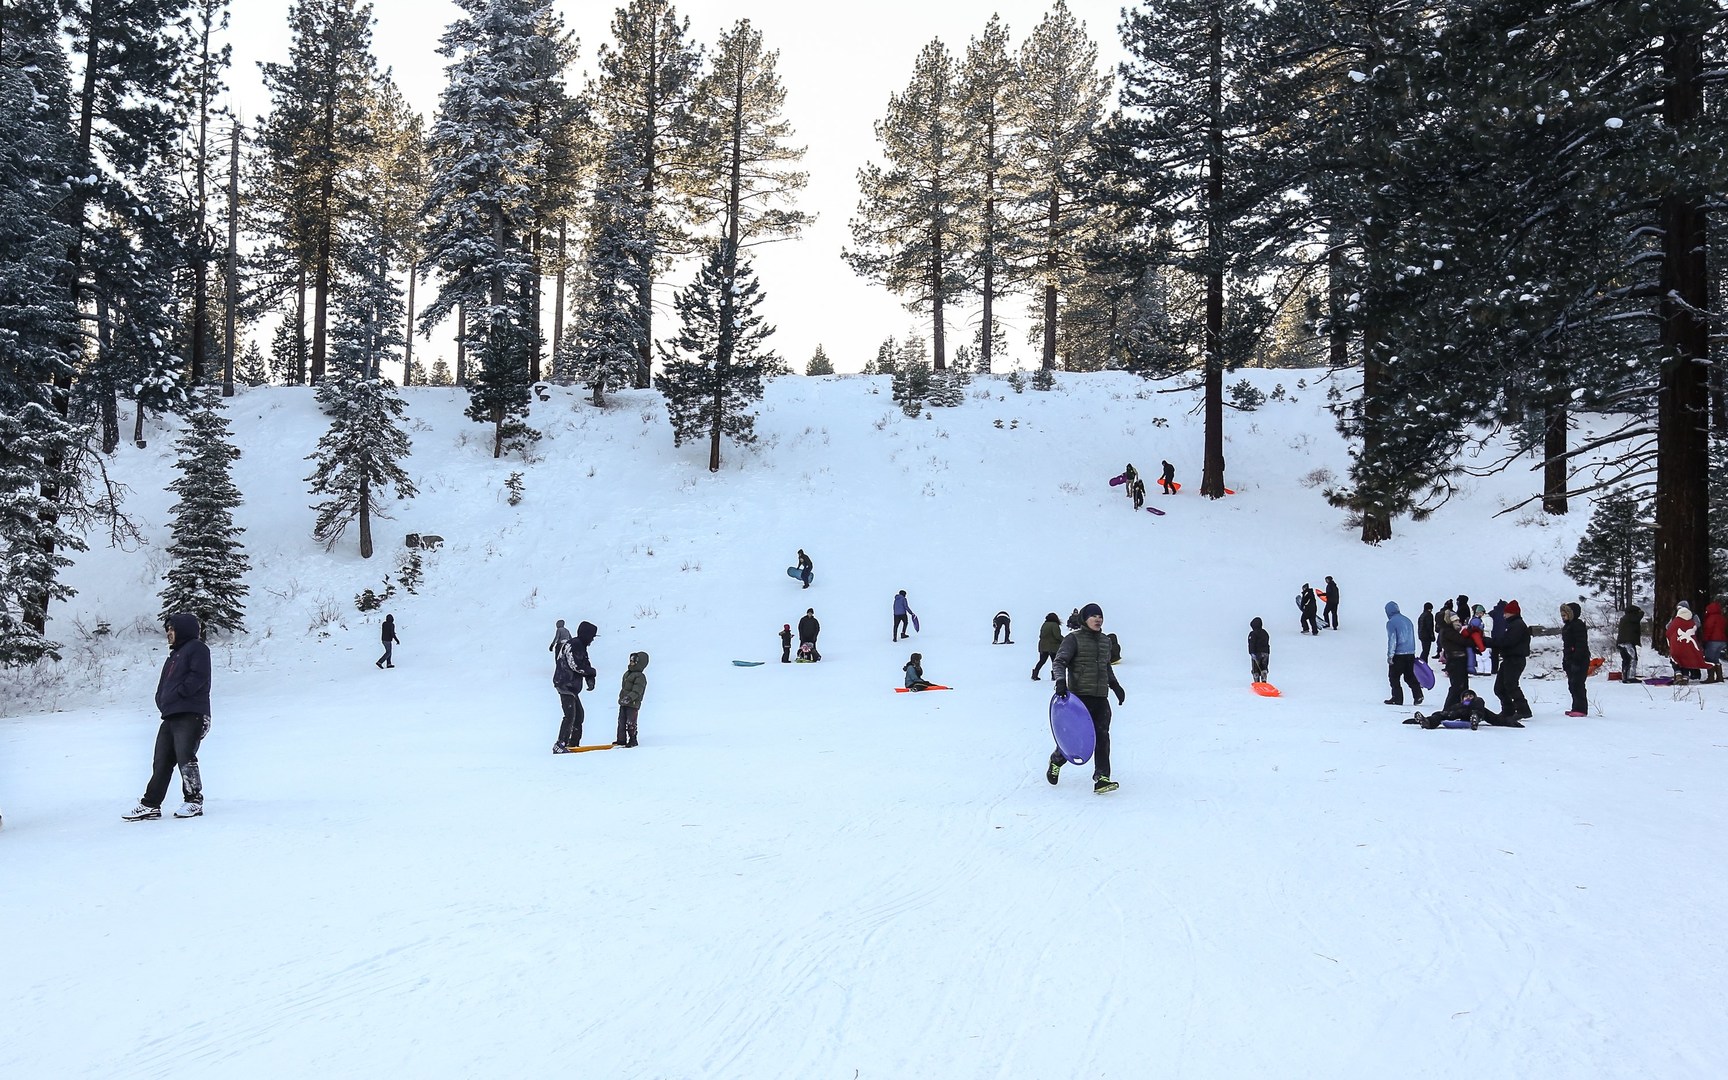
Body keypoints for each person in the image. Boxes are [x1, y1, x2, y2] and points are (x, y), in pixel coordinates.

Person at [124, 613, 212, 820]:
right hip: (171, 714)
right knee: (161, 760)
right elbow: (163, 685)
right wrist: (162, 700)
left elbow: (198, 676)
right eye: (167, 629)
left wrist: (180, 693)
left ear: (183, 629)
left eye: (172, 629)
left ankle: (194, 801)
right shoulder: (174, 655)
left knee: (185, 757)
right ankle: (151, 805)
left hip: (191, 712)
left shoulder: (197, 648)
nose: (168, 633)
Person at [1045, 603, 1126, 794]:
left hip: (1100, 697)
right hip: (1079, 699)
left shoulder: (1105, 641)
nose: (1098, 619)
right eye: (1093, 616)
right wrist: (1060, 681)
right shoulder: (1073, 639)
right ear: (1084, 619)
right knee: (1075, 738)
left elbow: (1106, 666)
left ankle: (1102, 778)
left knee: (1102, 736)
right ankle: (1056, 760)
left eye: (1100, 616)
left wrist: (1115, 685)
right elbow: (1059, 661)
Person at [552, 620, 598, 752]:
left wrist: (590, 678)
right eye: (592, 637)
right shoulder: (574, 644)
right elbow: (575, 665)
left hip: (571, 686)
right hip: (565, 683)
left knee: (579, 715)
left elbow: (585, 663)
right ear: (586, 635)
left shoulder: (581, 646)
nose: (592, 640)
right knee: (570, 715)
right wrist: (591, 672)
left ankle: (573, 743)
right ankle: (560, 744)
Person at [1484, 599, 1532, 721]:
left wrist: (1489, 642)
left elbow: (1507, 642)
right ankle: (1508, 709)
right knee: (1499, 687)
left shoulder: (1517, 625)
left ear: (1512, 613)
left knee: (1511, 685)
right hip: (1509, 659)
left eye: (1506, 613)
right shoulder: (1512, 625)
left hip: (1515, 659)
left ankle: (1523, 710)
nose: (1504, 615)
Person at [1403, 687, 1522, 729]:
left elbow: (1495, 719)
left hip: (1476, 712)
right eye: (1466, 696)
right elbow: (1444, 713)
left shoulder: (1478, 703)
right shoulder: (1458, 706)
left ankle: (1475, 718)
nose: (1469, 697)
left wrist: (1511, 722)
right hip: (1461, 713)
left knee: (1479, 704)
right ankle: (1427, 722)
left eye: (1471, 696)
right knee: (1442, 714)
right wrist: (1417, 721)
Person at [1383, 601, 1423, 706]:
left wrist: (1390, 655)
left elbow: (1392, 639)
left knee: (1394, 677)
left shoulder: (1391, 622)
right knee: (1409, 675)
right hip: (1410, 653)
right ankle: (1418, 695)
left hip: (1398, 654)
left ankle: (1397, 698)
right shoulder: (1407, 620)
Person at [1437, 606, 1472, 709]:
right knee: (1457, 687)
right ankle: (1448, 709)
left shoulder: (1451, 631)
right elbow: (1463, 641)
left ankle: (1462, 708)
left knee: (1462, 687)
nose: (1458, 623)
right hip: (1455, 661)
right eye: (1455, 620)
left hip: (1459, 661)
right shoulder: (1448, 631)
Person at [1665, 603, 1707, 684]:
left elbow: (1668, 627)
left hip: (1677, 641)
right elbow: (1697, 625)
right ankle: (1685, 677)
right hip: (1690, 640)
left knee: (1675, 658)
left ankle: (1678, 674)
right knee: (1686, 658)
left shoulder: (1676, 617)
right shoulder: (1693, 616)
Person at [1560, 602, 1589, 715]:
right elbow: (1567, 646)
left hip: (1579, 660)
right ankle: (1575, 708)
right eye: (1562, 615)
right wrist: (1565, 660)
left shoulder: (1578, 625)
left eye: (1565, 615)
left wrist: (1576, 660)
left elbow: (1581, 644)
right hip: (1570, 659)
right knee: (1572, 685)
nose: (1563, 617)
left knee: (1578, 684)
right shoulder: (1567, 627)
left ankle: (1581, 709)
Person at [614, 651, 648, 747]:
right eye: (631, 661)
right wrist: (622, 698)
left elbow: (637, 690)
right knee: (621, 721)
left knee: (631, 722)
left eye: (634, 661)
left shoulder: (640, 676)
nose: (631, 663)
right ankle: (621, 739)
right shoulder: (628, 673)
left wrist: (629, 698)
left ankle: (633, 739)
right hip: (624, 702)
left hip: (633, 703)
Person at [1615, 604, 1644, 683]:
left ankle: (1625, 676)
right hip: (1627, 642)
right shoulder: (1631, 617)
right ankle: (1630, 677)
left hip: (1621, 642)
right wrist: (1641, 612)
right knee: (1632, 659)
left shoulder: (1625, 618)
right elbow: (1638, 618)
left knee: (1626, 660)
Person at [1702, 601, 1726, 684]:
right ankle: (1719, 677)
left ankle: (1711, 677)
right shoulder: (1722, 618)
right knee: (1715, 658)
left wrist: (1705, 640)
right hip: (1722, 641)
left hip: (1713, 640)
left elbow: (1708, 629)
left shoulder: (1711, 618)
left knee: (1709, 659)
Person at [1033, 612, 1062, 680]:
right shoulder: (1055, 625)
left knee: (1042, 661)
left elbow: (1041, 635)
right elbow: (1057, 636)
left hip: (1043, 646)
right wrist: (1064, 640)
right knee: (1054, 661)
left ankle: (1035, 674)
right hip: (1053, 646)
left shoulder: (1044, 624)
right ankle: (1054, 676)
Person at [1248, 617, 1270, 684]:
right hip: (1265, 653)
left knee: (1256, 668)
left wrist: (1251, 652)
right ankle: (1264, 680)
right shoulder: (1265, 633)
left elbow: (1251, 643)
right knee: (1264, 667)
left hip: (1256, 653)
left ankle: (1257, 682)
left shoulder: (1253, 634)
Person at [1487, 601, 1507, 674]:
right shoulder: (1506, 613)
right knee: (1505, 654)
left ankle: (1494, 669)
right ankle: (1505, 669)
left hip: (1494, 636)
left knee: (1494, 654)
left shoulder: (1492, 613)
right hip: (1503, 636)